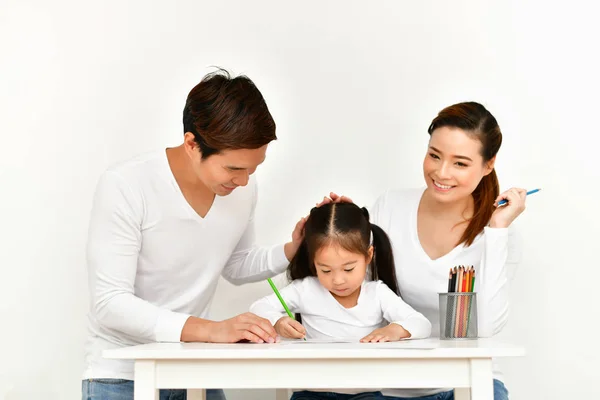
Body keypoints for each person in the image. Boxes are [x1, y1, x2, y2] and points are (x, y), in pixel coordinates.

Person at [81, 69, 306, 400]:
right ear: (191, 144)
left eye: (253, 169)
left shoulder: (242, 188)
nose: (244, 181)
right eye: (233, 169)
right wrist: (212, 331)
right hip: (122, 376)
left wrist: (293, 248)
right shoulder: (126, 185)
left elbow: (236, 263)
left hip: (193, 369)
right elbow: (110, 303)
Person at [323, 101, 525, 399]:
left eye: (460, 163)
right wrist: (341, 237)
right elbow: (348, 298)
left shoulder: (499, 232)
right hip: (385, 384)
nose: (441, 173)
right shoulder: (390, 207)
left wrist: (496, 232)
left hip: (464, 382)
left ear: (488, 164)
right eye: (434, 156)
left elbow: (487, 327)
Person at [250, 202, 432, 400]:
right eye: (326, 270)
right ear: (313, 262)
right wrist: (278, 321)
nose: (337, 280)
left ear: (368, 256)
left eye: (348, 269)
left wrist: (395, 330)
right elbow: (258, 307)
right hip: (312, 393)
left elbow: (421, 324)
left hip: (366, 394)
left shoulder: (377, 293)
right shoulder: (306, 289)